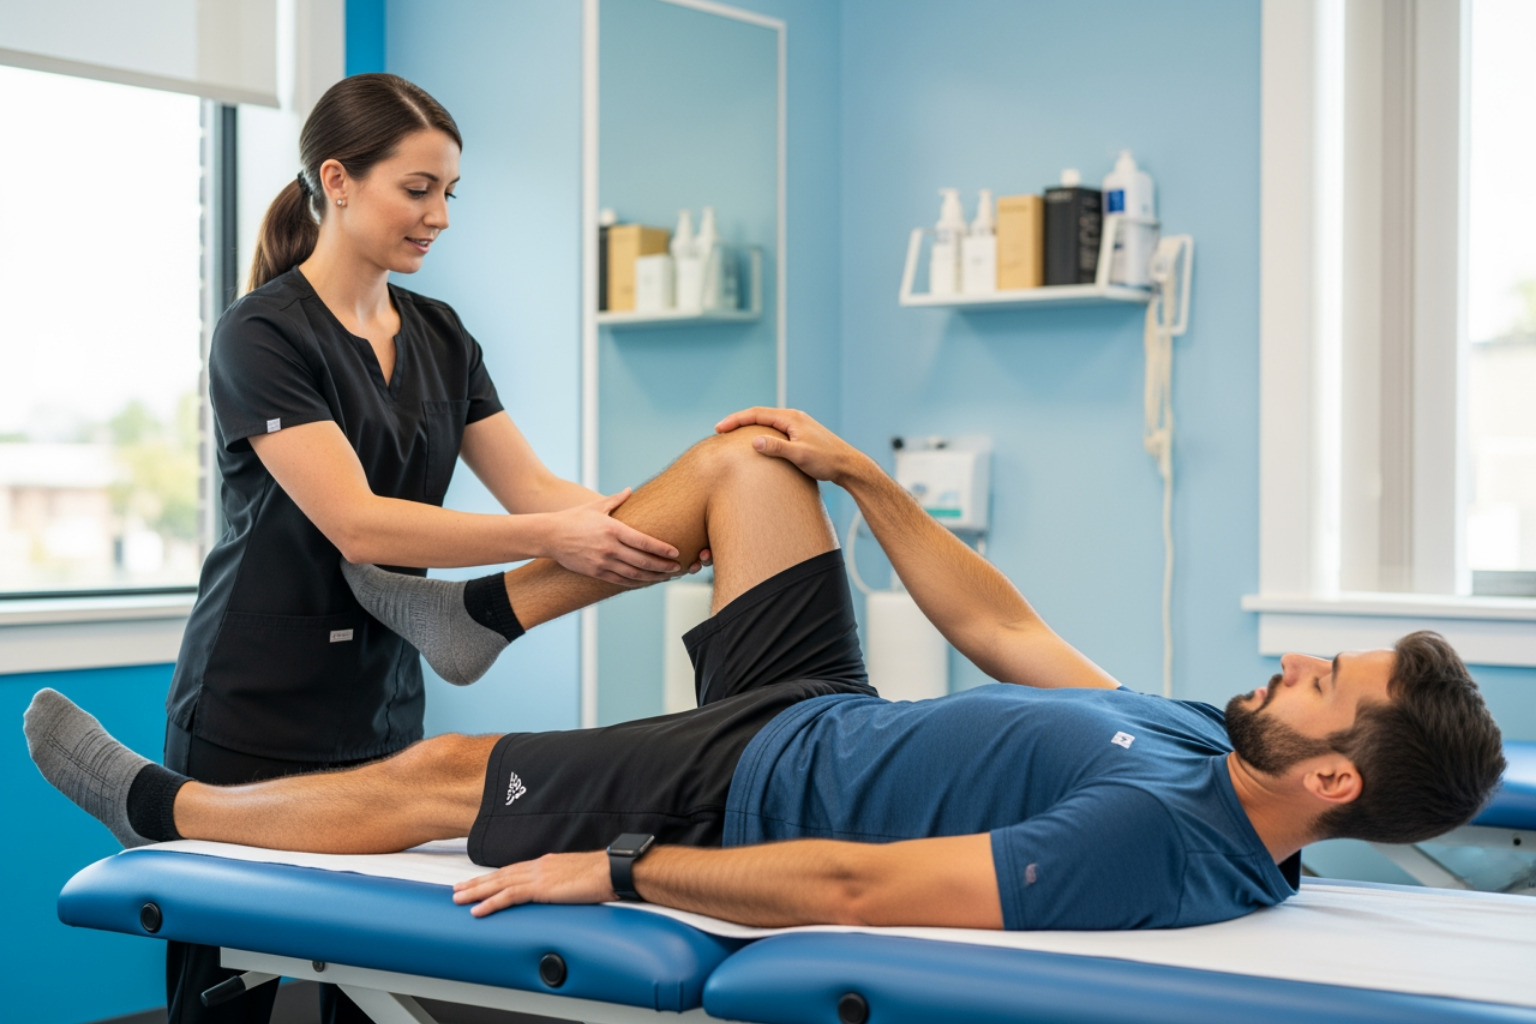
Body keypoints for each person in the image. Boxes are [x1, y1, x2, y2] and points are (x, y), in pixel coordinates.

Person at [29, 411, 1506, 932]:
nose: (1290, 662)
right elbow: (1005, 636)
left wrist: (622, 868)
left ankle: (171, 812)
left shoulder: (1162, 840)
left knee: (441, 777)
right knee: (752, 461)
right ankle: (483, 616)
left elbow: (857, 888)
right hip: (825, 708)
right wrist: (863, 479)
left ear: (1334, 775)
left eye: (1322, 678)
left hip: (751, 781)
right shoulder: (1209, 747)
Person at [165, 73, 696, 1024]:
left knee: (363, 977)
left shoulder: (443, 335)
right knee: (226, 996)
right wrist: (554, 536)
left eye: (450, 192)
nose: (440, 216)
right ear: (337, 180)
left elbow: (537, 492)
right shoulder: (262, 333)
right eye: (418, 189)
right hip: (254, 704)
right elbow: (359, 523)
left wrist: (659, 522)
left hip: (381, 697)